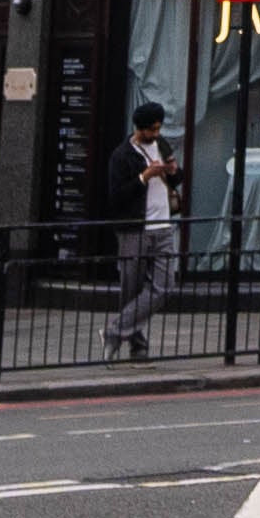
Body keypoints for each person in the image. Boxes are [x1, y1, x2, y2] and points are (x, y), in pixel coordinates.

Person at [108, 105, 182, 358]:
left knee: (164, 286)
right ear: (140, 129)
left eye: (159, 127)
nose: (157, 132)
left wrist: (173, 172)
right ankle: (137, 346)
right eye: (152, 129)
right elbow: (117, 197)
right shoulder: (122, 155)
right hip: (135, 228)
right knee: (131, 289)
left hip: (163, 226)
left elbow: (175, 179)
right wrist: (143, 177)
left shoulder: (161, 146)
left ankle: (116, 331)